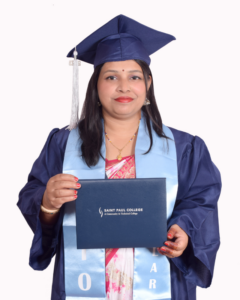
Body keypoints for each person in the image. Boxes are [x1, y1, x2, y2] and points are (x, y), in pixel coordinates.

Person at [17, 14, 221, 300]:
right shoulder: (63, 144)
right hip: (85, 281)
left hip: (158, 279)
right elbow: (34, 193)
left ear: (148, 83)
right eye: (111, 76)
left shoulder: (184, 148)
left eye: (134, 77)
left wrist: (183, 230)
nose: (124, 87)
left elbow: (201, 201)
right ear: (96, 86)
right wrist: (47, 204)